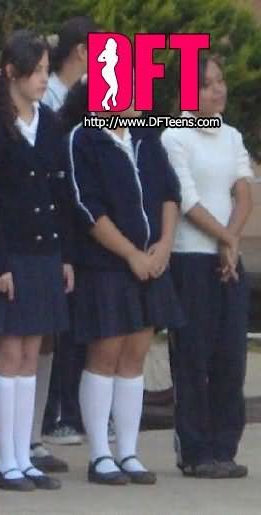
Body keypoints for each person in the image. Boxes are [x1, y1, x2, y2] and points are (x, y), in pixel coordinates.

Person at [65, 81, 184, 486]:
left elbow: (169, 192)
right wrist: (131, 254)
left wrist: (163, 246)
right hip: (108, 265)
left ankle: (128, 451)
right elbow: (87, 205)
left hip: (152, 263)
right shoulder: (84, 138)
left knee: (135, 354)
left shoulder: (146, 135)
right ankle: (100, 453)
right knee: (105, 354)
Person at [0, 30, 71, 492]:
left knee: (32, 352)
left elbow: (59, 192)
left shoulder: (49, 123)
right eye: (36, 72)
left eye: (47, 71)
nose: (42, 80)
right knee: (9, 352)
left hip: (44, 251)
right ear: (12, 72)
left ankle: (24, 452)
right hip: (10, 252)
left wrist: (64, 255)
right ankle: (5, 460)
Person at [161, 54, 253, 479]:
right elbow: (187, 199)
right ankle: (195, 451)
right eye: (206, 84)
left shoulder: (231, 135)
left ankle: (224, 447)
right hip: (190, 259)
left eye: (219, 81)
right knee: (193, 357)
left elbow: (244, 192)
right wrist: (226, 239)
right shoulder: (174, 135)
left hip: (226, 261)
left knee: (230, 357)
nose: (217, 90)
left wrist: (231, 242)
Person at [40, 15, 99, 454]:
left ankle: (76, 409)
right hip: (61, 225)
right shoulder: (58, 104)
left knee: (82, 327)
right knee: (57, 329)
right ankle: (55, 413)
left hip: (87, 234)